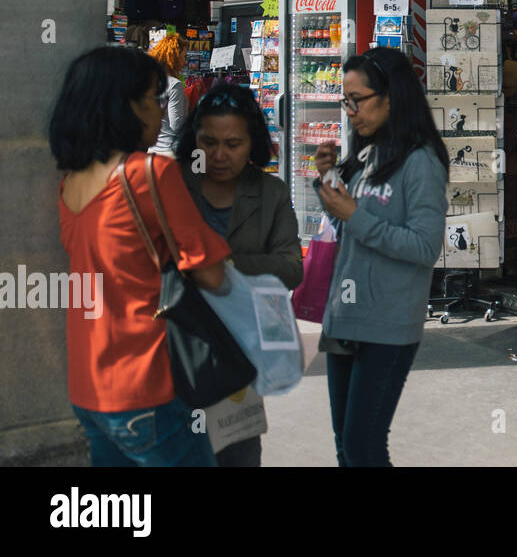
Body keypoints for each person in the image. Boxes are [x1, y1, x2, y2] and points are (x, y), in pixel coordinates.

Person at [50, 46, 230, 467]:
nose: (159, 110)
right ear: (122, 106)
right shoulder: (148, 174)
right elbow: (212, 274)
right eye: (151, 99)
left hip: (88, 386)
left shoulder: (69, 184)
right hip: (148, 382)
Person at [313, 47, 449, 467]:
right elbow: (344, 228)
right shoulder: (365, 156)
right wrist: (329, 180)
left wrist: (354, 215)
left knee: (364, 446)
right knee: (345, 446)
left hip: (388, 324)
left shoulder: (420, 162)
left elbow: (425, 246)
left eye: (358, 100)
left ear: (392, 96)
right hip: (344, 315)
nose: (351, 111)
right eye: (345, 100)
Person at [178, 82, 303, 466]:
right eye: (208, 141)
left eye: (233, 144)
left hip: (240, 350)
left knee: (237, 454)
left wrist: (222, 264)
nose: (218, 155)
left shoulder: (270, 193)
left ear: (253, 144)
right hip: (178, 346)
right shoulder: (174, 186)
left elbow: (290, 267)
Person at [146, 34, 189, 157]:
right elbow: (177, 124)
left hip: (152, 150)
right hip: (170, 152)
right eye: (183, 56)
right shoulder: (174, 85)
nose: (185, 61)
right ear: (174, 57)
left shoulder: (150, 82)